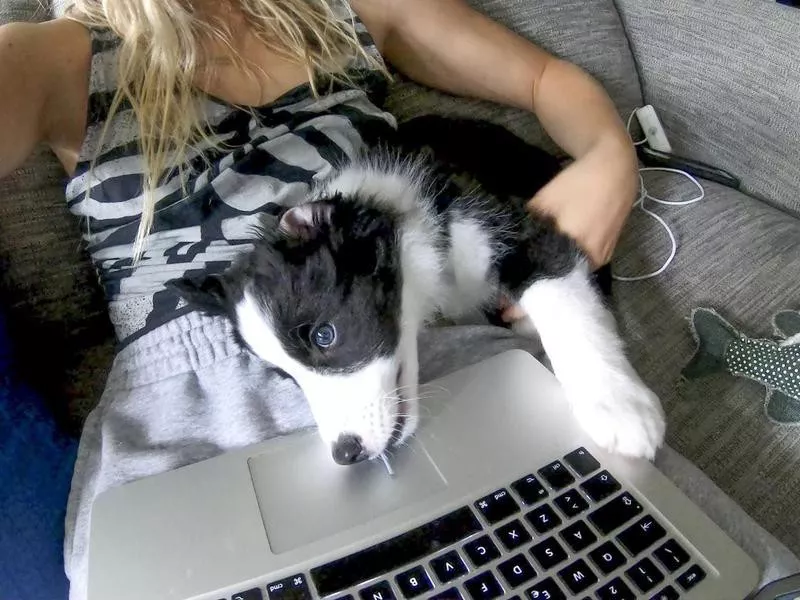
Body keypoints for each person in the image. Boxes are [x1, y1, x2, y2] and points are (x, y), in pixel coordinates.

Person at [0, 1, 640, 598]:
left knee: (613, 546)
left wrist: (611, 159)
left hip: (411, 345)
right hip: (194, 405)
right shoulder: (71, 54)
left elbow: (545, 80)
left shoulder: (347, 11)